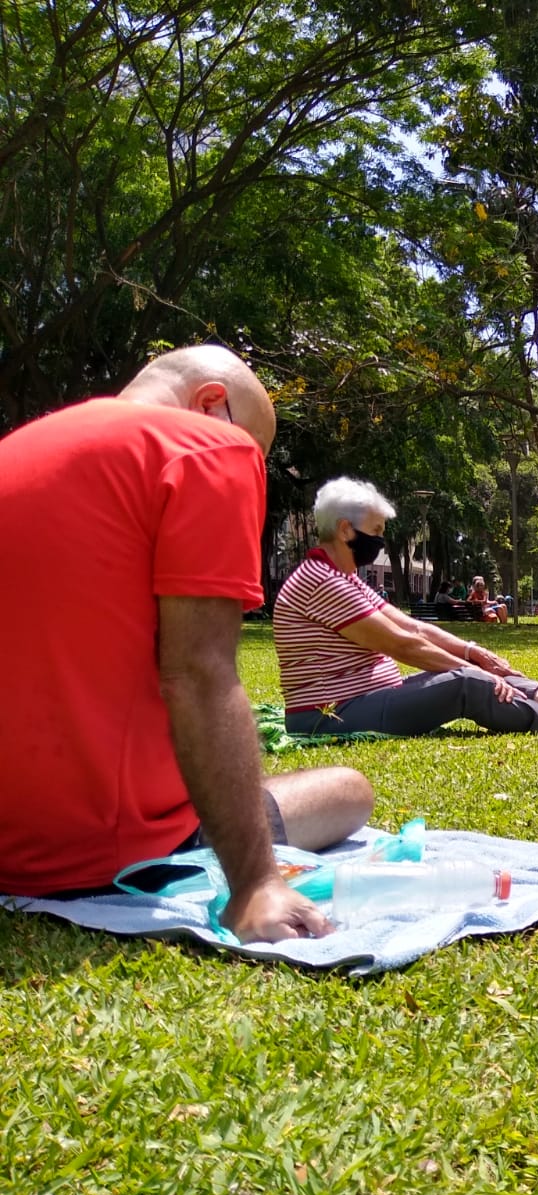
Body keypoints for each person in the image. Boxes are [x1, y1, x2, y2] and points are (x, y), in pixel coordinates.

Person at [0, 346, 374, 943]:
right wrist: (255, 882)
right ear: (210, 402)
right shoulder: (207, 447)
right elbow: (198, 673)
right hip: (93, 852)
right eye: (257, 450)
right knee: (349, 791)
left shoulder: (20, 449)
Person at [274, 477, 538, 736]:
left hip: (368, 698)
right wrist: (478, 672)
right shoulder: (321, 581)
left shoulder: (342, 576)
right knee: (467, 683)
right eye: (377, 530)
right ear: (344, 531)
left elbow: (414, 627)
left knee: (476, 668)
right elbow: (402, 645)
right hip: (332, 715)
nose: (381, 539)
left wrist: (474, 651)